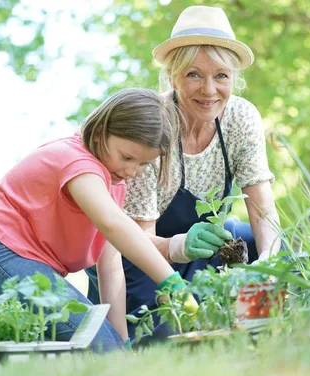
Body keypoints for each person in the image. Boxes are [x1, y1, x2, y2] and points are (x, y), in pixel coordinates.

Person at [85, 6, 282, 340]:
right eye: (194, 74)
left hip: (203, 249)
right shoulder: (153, 125)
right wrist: (179, 248)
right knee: (157, 336)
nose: (209, 90)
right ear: (172, 76)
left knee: (265, 245)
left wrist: (267, 266)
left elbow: (263, 210)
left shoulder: (241, 118)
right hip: (136, 252)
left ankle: (257, 336)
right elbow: (137, 236)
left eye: (221, 75)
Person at [0, 88, 190, 353]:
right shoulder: (78, 162)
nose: (131, 171)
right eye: (126, 157)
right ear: (101, 131)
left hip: (23, 266)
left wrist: (123, 341)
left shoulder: (112, 185)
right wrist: (172, 282)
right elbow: (114, 223)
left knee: (112, 348)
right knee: (97, 348)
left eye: (143, 164)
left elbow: (111, 267)